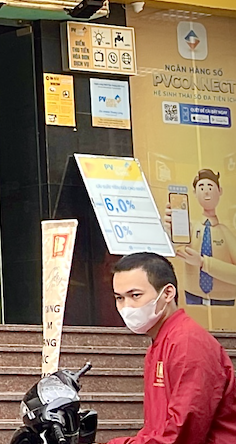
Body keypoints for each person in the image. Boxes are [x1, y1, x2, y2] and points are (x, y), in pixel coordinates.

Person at [108, 252, 236, 444]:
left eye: (135, 295)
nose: (127, 307)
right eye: (119, 298)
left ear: (168, 293)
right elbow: (157, 429)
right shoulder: (162, 341)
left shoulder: (188, 343)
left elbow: (182, 432)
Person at [169, 170, 236, 306]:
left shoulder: (225, 232)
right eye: (201, 187)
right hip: (192, 296)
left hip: (223, 299)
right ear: (194, 192)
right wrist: (169, 233)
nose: (206, 192)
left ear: (220, 191)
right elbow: (177, 251)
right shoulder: (190, 228)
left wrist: (203, 263)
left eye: (210, 187)